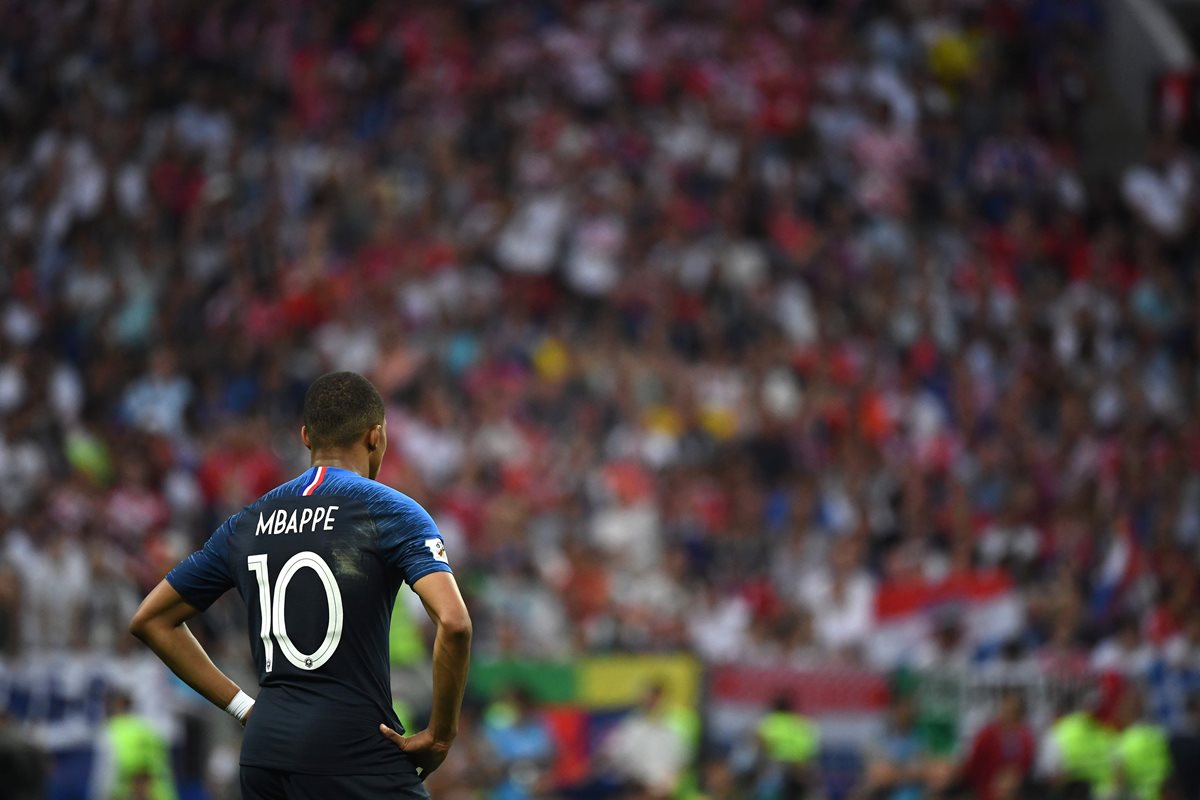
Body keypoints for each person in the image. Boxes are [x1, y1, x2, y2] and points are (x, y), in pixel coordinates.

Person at [130, 372, 472, 799]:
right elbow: (455, 623)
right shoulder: (389, 510)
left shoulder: (249, 520)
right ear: (376, 437)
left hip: (264, 753)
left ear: (306, 436)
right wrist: (440, 736)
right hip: (352, 749)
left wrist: (242, 706)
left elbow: (151, 619)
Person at [961, 690, 1035, 800]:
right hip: (987, 790)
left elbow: (1027, 762)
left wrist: (1013, 777)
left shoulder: (1025, 736)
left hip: (1014, 791)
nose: (1006, 713)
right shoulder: (987, 734)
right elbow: (974, 762)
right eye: (1004, 709)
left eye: (1011, 710)